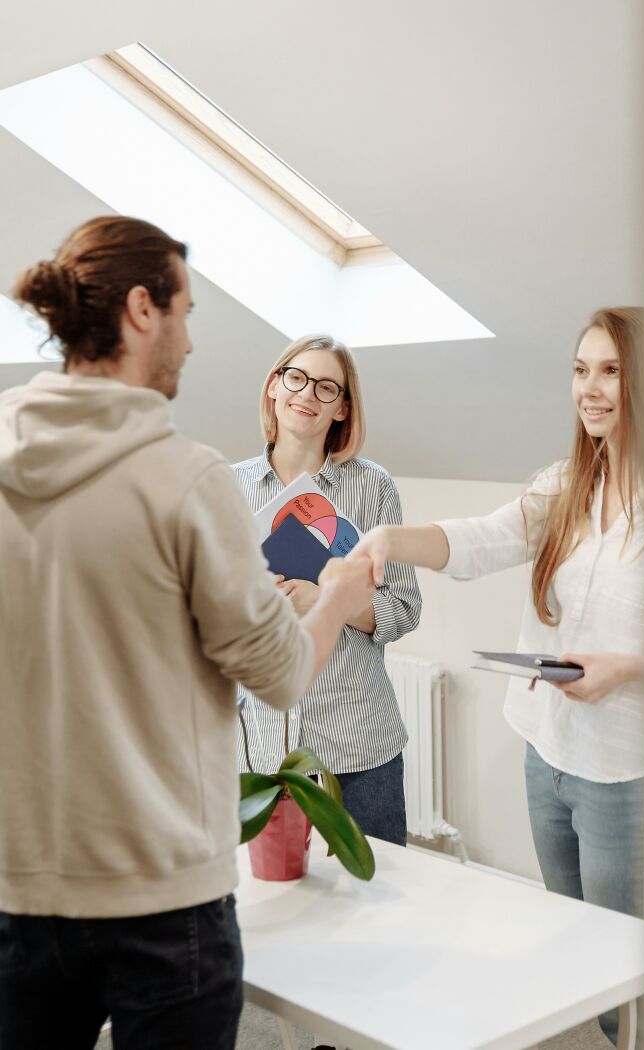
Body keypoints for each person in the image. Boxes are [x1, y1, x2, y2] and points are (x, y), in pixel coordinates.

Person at [0, 216, 375, 1050]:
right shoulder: (190, 477)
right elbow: (278, 673)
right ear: (142, 309)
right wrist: (337, 592)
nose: (193, 344)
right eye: (187, 315)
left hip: (21, 882)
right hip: (161, 895)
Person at [349, 308, 644, 1048]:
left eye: (610, 370)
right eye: (581, 369)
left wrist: (628, 666)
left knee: (628, 959)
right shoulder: (565, 485)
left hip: (626, 769)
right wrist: (391, 537)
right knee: (575, 940)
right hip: (544, 751)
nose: (590, 388)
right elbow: (482, 540)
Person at [232, 335, 421, 847]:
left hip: (359, 745)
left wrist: (329, 603)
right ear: (274, 386)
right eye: (296, 378)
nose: (307, 394)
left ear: (342, 407)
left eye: (326, 387)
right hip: (260, 751)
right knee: (278, 903)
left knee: (375, 906)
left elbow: (404, 609)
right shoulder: (226, 488)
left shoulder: (373, 487)